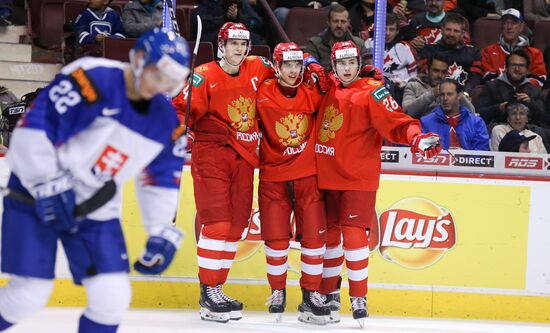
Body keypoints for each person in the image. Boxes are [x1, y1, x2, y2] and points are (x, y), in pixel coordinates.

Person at [0, 28, 190, 333]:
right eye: (160, 76)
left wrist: (160, 230)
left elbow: (160, 181)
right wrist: (48, 184)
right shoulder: (91, 78)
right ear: (139, 59)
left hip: (94, 209)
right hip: (33, 195)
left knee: (112, 297)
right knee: (28, 294)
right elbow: (32, 132)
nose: (162, 88)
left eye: (172, 81)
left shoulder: (165, 122)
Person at [315, 41, 441, 328]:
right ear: (333, 65)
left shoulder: (373, 91)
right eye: (341, 64)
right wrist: (312, 66)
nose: (347, 69)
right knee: (329, 238)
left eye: (351, 63)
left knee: (354, 235)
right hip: (323, 175)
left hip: (357, 177)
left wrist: (417, 138)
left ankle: (359, 296)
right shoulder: (324, 87)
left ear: (359, 63)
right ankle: (329, 293)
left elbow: (399, 122)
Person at [172, 22, 274, 323]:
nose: (239, 50)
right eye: (233, 44)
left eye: (244, 44)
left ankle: (217, 287)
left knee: (236, 228)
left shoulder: (257, 68)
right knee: (217, 224)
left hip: (245, 159)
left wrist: (313, 68)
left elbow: (289, 71)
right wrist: (179, 130)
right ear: (222, 45)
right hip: (212, 156)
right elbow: (181, 109)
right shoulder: (204, 75)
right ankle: (208, 291)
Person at [256, 42, 330, 324]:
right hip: (273, 175)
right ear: (276, 67)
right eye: (287, 65)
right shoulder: (261, 92)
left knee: (314, 236)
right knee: (275, 238)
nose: (293, 70)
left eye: (297, 65)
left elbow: (333, 84)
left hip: (306, 173)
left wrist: (314, 64)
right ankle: (277, 292)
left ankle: (311, 294)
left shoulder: (311, 91)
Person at [476, 49, 549, 127]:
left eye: (521, 66)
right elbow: (479, 114)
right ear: (506, 68)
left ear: (527, 70)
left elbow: (544, 118)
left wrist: (531, 103)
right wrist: (499, 107)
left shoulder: (534, 90)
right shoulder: (491, 86)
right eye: (513, 65)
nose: (517, 69)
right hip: (499, 129)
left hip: (528, 130)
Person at [481, 8, 547, 88]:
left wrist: (520, 89)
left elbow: (540, 79)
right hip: (498, 96)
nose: (509, 27)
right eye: (506, 23)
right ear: (502, 26)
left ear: (521, 27)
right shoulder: (488, 51)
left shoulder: (535, 53)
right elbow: (488, 78)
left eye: (514, 23)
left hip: (526, 95)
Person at [418, 12, 482, 92]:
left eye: (456, 31)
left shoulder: (473, 53)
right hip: (432, 95)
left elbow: (475, 79)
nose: (451, 34)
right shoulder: (428, 50)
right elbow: (424, 77)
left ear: (462, 34)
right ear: (442, 30)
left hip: (463, 96)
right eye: (448, 29)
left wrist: (464, 94)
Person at [421, 78, 489, 150]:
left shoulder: (476, 122)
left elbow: (481, 152)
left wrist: (464, 159)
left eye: (449, 94)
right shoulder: (426, 122)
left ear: (459, 95)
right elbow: (423, 152)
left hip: (467, 161)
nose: (445, 98)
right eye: (442, 94)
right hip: (439, 160)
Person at [403, 56, 475, 118]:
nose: (440, 76)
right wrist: (432, 94)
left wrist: (457, 93)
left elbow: (471, 111)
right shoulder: (413, 85)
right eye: (436, 71)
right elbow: (407, 111)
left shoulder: (451, 88)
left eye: (443, 72)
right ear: (427, 70)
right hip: (421, 129)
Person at [305, 4, 367, 71]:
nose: (339, 25)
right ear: (328, 22)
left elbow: (363, 70)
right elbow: (310, 71)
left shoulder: (359, 44)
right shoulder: (314, 44)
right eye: (335, 21)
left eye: (343, 21)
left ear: (348, 23)